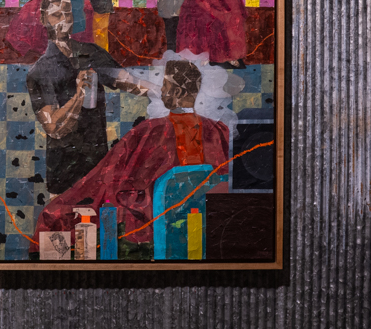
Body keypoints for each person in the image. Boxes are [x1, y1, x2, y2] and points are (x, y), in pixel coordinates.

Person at [37, 59, 230, 249]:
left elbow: (112, 179)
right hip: (202, 220)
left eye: (165, 85)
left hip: (155, 221)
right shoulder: (218, 131)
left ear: (177, 92)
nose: (161, 91)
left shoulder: (150, 131)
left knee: (55, 213)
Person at [27, 0, 152, 195]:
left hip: (97, 164)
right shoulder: (40, 71)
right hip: (63, 171)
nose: (64, 19)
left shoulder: (91, 53)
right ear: (44, 19)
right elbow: (54, 128)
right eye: (57, 14)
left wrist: (162, 90)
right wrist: (78, 96)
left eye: (67, 12)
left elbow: (127, 81)